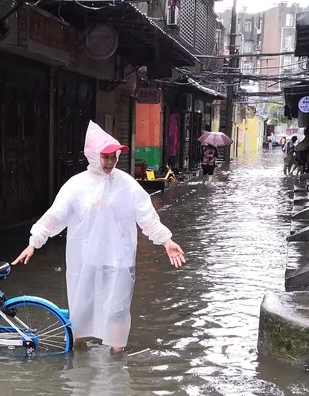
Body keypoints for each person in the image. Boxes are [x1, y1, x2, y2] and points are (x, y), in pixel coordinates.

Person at [13, 121, 186, 354]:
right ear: (93, 156)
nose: (110, 161)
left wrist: (166, 240)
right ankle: (78, 360)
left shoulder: (126, 185)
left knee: (118, 310)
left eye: (113, 156)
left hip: (119, 260)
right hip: (86, 261)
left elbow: (147, 216)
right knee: (81, 310)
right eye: (105, 157)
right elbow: (55, 216)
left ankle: (116, 364)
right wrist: (34, 242)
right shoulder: (77, 186)